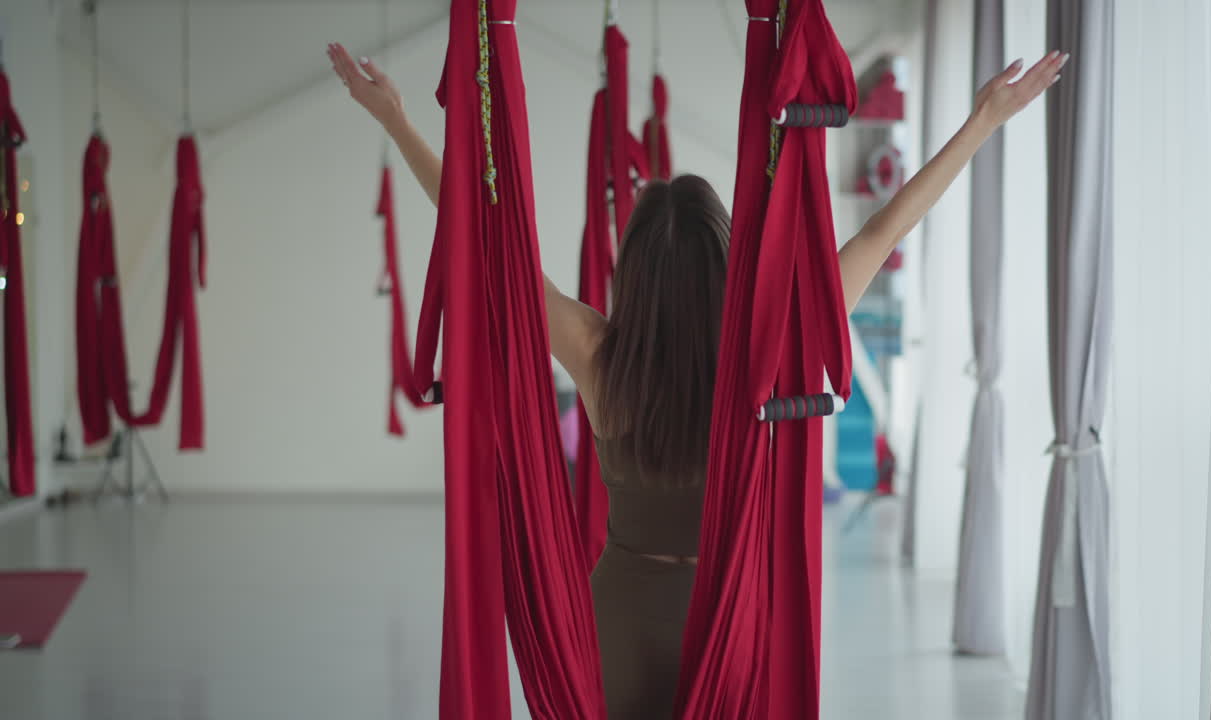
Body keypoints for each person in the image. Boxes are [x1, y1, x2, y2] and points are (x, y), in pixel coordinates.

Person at [328, 41, 1066, 719]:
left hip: (612, 613)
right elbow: (885, 229)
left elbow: (486, 238)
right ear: (728, 264)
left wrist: (395, 119)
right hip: (724, 613)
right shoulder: (771, 352)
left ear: (635, 274)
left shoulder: (595, 351)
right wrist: (982, 122)